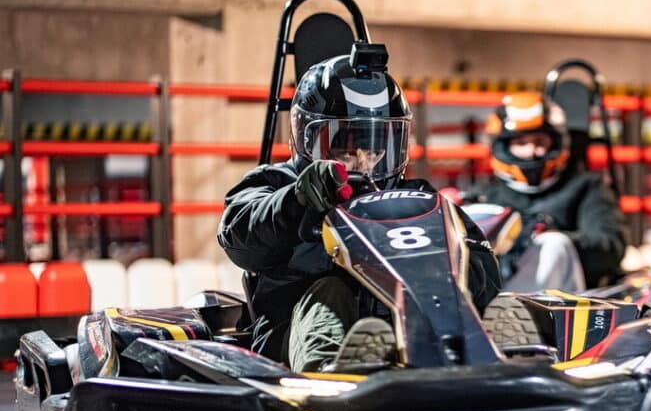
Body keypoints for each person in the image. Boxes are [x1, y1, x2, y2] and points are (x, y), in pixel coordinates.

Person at [218, 51, 500, 371]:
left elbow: (485, 271)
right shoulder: (278, 184)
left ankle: (504, 352)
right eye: (348, 149)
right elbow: (240, 237)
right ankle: (330, 373)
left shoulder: (417, 198)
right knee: (331, 292)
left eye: (375, 149)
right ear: (310, 139)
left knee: (454, 290)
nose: (364, 162)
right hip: (292, 342)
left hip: (405, 335)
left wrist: (442, 274)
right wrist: (296, 202)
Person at [461, 92, 625, 291]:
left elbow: (610, 247)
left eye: (539, 142)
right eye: (521, 143)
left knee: (553, 244)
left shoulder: (586, 187)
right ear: (503, 148)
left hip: (569, 300)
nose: (531, 151)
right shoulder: (484, 196)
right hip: (491, 294)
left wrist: (538, 234)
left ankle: (520, 309)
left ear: (556, 143)